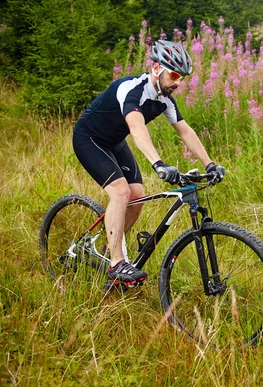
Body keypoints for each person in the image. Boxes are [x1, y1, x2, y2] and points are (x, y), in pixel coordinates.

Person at [72, 40, 225, 286]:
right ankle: (116, 263)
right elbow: (136, 127)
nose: (178, 82)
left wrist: (209, 164)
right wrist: (158, 163)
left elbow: (185, 131)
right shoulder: (132, 89)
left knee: (137, 195)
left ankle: (106, 247)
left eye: (182, 78)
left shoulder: (165, 99)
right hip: (89, 138)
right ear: (156, 68)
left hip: (114, 141)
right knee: (121, 192)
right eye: (174, 75)